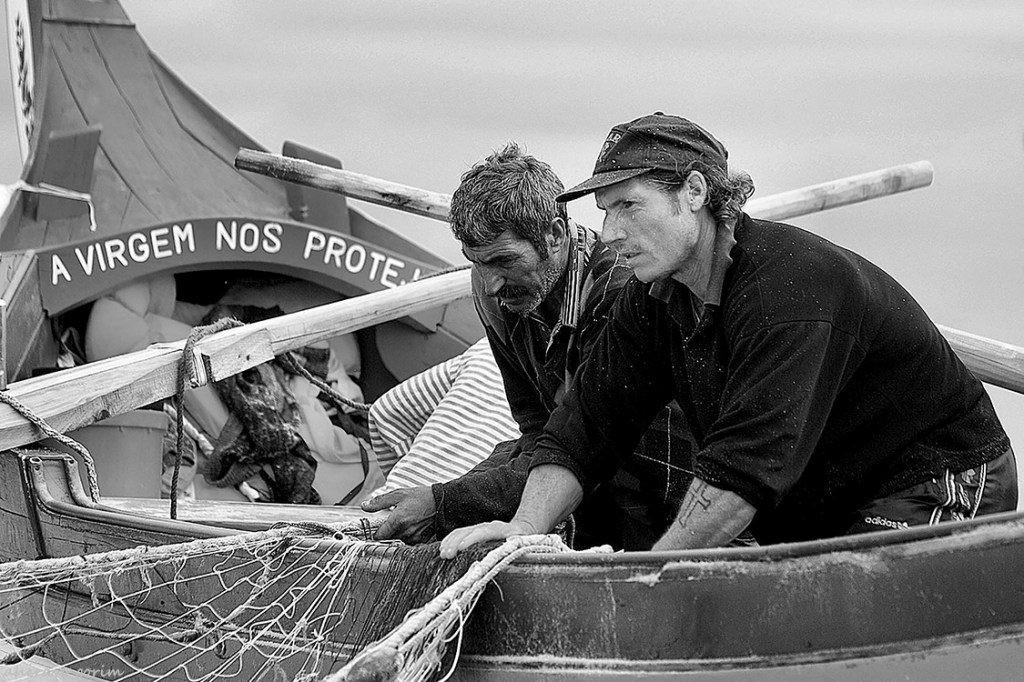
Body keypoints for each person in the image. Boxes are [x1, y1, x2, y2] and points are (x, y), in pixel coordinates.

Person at [438, 112, 1017, 558]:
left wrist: (648, 576)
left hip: (931, 476)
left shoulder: (787, 290)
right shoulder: (654, 299)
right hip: (817, 502)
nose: (609, 232)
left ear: (693, 192)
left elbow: (742, 472)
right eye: (605, 211)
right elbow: (585, 427)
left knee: (855, 610)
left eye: (628, 206)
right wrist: (523, 527)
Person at [362, 142, 696, 549]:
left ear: (554, 234)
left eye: (503, 260)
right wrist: (448, 499)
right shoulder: (497, 294)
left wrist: (446, 503)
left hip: (660, 491)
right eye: (476, 262)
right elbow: (538, 429)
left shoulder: (620, 294)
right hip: (581, 476)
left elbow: (590, 445)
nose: (490, 284)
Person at [367, 337, 521, 495]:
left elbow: (385, 412)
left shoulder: (489, 346)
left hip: (392, 502)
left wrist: (404, 481)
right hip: (473, 503)